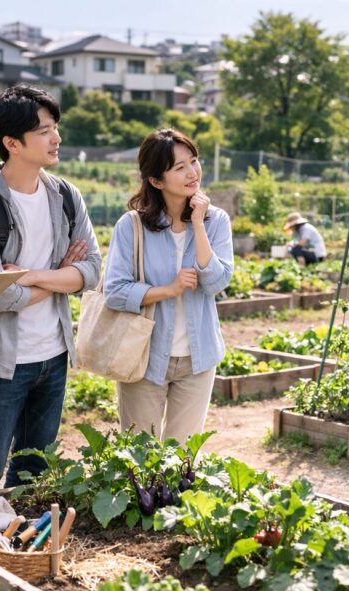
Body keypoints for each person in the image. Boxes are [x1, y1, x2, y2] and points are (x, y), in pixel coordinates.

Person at [0, 85, 101, 495]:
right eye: (44, 131)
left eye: (55, 128)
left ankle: (13, 553)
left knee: (34, 472)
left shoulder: (66, 195)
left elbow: (90, 273)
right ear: (11, 143)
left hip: (53, 355)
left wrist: (31, 275)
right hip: (0, 362)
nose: (56, 138)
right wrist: (60, 276)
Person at [103, 129, 233, 443]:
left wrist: (199, 224)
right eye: (179, 167)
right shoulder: (131, 225)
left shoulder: (216, 221)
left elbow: (216, 282)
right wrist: (167, 290)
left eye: (194, 161)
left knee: (183, 460)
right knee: (141, 455)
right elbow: (115, 291)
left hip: (197, 359)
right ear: (156, 181)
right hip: (144, 359)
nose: (193, 172)